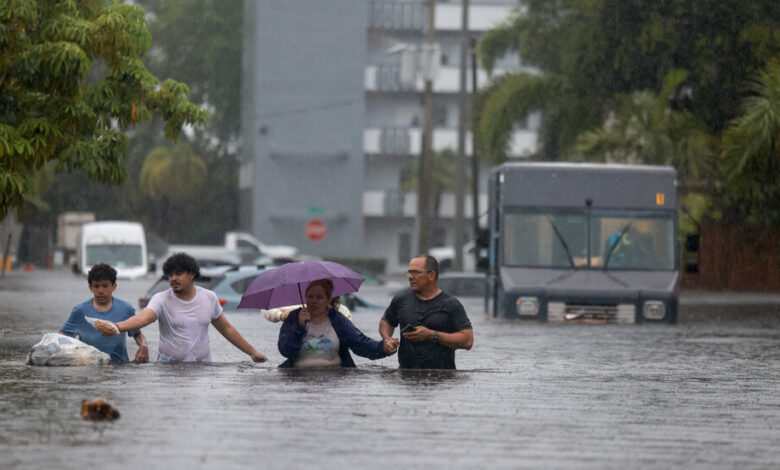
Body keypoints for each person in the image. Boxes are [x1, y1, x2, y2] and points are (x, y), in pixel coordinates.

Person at [95, 253, 268, 363]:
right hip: (168, 372)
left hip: (202, 372)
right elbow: (143, 318)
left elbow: (227, 329)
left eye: (178, 274)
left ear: (192, 274)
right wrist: (117, 327)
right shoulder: (161, 299)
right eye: (170, 275)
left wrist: (252, 353)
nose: (173, 279)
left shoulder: (209, 297)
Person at [379, 255, 473, 369]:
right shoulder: (400, 300)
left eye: (415, 272)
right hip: (406, 378)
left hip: (442, 378)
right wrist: (387, 339)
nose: (410, 277)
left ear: (431, 275)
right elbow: (386, 321)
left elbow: (468, 340)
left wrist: (432, 335)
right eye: (409, 272)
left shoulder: (451, 304)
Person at [277, 279, 396, 368]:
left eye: (319, 297)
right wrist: (299, 327)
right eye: (310, 296)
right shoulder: (294, 318)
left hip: (334, 377)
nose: (313, 301)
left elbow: (360, 344)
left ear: (329, 300)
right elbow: (285, 350)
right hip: (298, 377)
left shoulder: (337, 320)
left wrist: (383, 348)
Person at [60, 263, 149, 363]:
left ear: (114, 286)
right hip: (90, 368)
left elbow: (137, 335)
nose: (101, 291)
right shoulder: (79, 311)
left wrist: (143, 346)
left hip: (120, 369)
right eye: (96, 286)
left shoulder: (126, 309)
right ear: (90, 287)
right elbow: (61, 339)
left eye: (105, 286)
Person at [262, 297, 352, 323]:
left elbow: (352, 338)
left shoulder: (343, 311)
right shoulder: (302, 309)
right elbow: (265, 308)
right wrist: (281, 316)